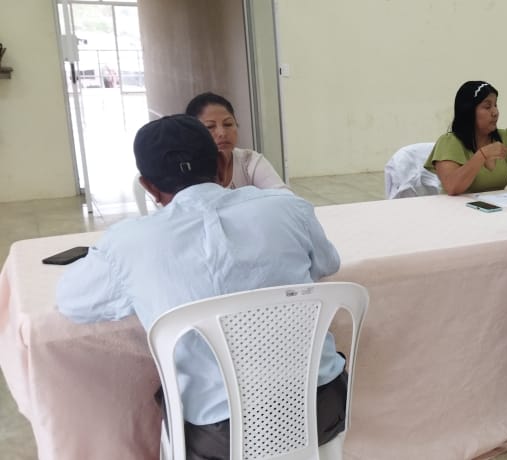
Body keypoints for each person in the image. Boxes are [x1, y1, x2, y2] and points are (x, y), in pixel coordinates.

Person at [56, 115, 347, 459]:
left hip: (221, 434)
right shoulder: (288, 208)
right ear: (222, 167)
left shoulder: (128, 244)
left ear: (149, 187)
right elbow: (328, 263)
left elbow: (72, 302)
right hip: (322, 408)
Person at [424, 81, 507, 195]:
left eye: (495, 105)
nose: (495, 112)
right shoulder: (448, 143)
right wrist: (482, 155)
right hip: (457, 207)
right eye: (487, 107)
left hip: (496, 206)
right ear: (468, 111)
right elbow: (452, 187)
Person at [185, 92, 288, 190]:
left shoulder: (249, 161)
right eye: (210, 126)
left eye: (228, 124)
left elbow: (284, 197)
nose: (222, 133)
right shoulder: (186, 169)